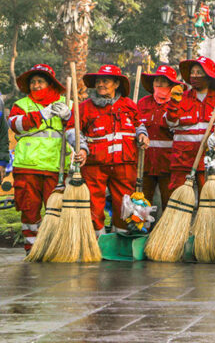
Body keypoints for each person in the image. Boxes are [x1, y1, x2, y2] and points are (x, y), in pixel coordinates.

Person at [67, 65, 149, 236]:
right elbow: (72, 130)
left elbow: (138, 125)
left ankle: (121, 240)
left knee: (124, 203)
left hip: (125, 165)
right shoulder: (84, 107)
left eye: (105, 81)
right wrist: (81, 149)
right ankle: (97, 241)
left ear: (116, 84)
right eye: (98, 81)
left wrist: (142, 135)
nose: (100, 84)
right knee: (93, 203)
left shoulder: (129, 105)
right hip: (95, 165)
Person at [8, 64, 70, 252]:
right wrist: (42, 114)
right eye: (33, 82)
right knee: (29, 210)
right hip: (28, 167)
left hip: (57, 168)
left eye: (40, 81)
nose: (35, 85)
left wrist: (69, 117)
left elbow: (77, 130)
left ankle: (56, 248)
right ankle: (32, 249)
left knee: (58, 211)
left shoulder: (68, 103)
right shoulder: (21, 105)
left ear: (50, 83)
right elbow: (15, 125)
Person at [165, 56, 215, 193]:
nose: (194, 76)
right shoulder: (181, 97)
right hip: (182, 159)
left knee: (209, 199)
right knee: (178, 199)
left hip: (209, 159)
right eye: (193, 72)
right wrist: (173, 104)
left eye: (199, 72)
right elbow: (171, 123)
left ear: (208, 76)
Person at [137, 65, 183, 210]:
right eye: (157, 80)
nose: (159, 84)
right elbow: (135, 124)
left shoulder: (178, 105)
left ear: (172, 85)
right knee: (141, 202)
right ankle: (143, 230)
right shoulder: (143, 103)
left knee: (169, 202)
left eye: (163, 81)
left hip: (168, 162)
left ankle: (167, 231)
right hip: (145, 161)